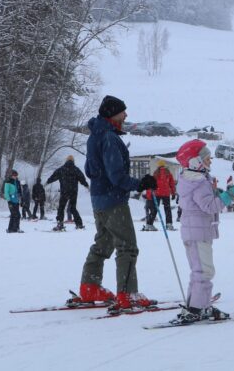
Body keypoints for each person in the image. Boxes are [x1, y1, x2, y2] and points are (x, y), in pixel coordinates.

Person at [73, 95, 158, 311]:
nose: (126, 115)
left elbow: (90, 170)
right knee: (127, 246)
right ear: (112, 114)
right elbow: (116, 175)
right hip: (113, 200)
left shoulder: (95, 136)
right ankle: (127, 293)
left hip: (98, 199)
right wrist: (140, 184)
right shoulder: (109, 138)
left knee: (103, 243)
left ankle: (90, 286)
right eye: (122, 112)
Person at [174, 139, 234, 322]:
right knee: (204, 271)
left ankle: (197, 306)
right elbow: (210, 207)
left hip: (193, 231)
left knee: (199, 270)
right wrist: (229, 196)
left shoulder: (190, 179)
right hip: (198, 232)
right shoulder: (198, 182)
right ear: (195, 161)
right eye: (206, 158)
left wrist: (219, 193)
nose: (210, 161)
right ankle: (198, 308)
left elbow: (203, 201)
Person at [46, 155, 89, 231]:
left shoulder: (61, 169)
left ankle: (60, 224)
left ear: (66, 161)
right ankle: (79, 224)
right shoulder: (76, 169)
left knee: (61, 208)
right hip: (73, 191)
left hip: (64, 191)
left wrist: (47, 182)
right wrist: (87, 185)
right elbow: (82, 178)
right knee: (73, 208)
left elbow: (53, 176)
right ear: (73, 161)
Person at [153, 159, 177, 229]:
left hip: (157, 193)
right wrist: (173, 193)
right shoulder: (168, 173)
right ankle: (169, 224)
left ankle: (149, 223)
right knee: (167, 209)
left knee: (155, 208)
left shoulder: (155, 173)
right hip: (166, 193)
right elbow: (172, 184)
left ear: (158, 166)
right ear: (164, 165)